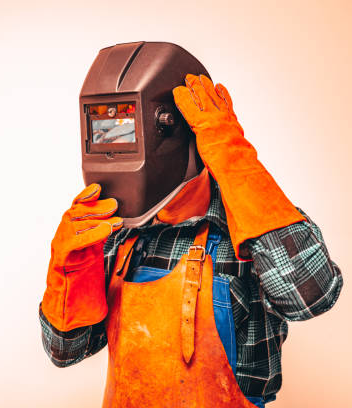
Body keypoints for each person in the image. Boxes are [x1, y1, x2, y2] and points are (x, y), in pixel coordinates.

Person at [38, 43, 343, 408]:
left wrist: (232, 156)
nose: (114, 151)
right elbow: (65, 351)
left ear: (177, 130)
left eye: (125, 132)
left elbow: (313, 295)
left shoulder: (251, 223)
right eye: (104, 132)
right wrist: (70, 273)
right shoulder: (119, 235)